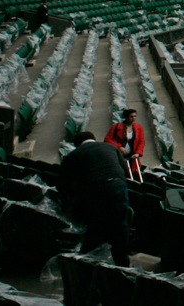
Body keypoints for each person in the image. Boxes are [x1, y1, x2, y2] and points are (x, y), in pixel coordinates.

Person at [59, 131, 131, 266]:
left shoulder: (73, 155)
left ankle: (90, 262)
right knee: (120, 226)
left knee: (95, 226)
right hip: (117, 186)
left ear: (77, 145)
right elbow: (125, 171)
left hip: (93, 190)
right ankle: (123, 264)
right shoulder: (111, 147)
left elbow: (63, 183)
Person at [104, 108, 145, 179]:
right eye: (131, 117)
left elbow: (141, 141)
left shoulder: (138, 127)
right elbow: (107, 139)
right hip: (119, 154)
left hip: (133, 155)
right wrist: (119, 147)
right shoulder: (116, 127)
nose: (133, 119)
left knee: (133, 172)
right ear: (126, 117)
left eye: (135, 116)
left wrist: (138, 153)